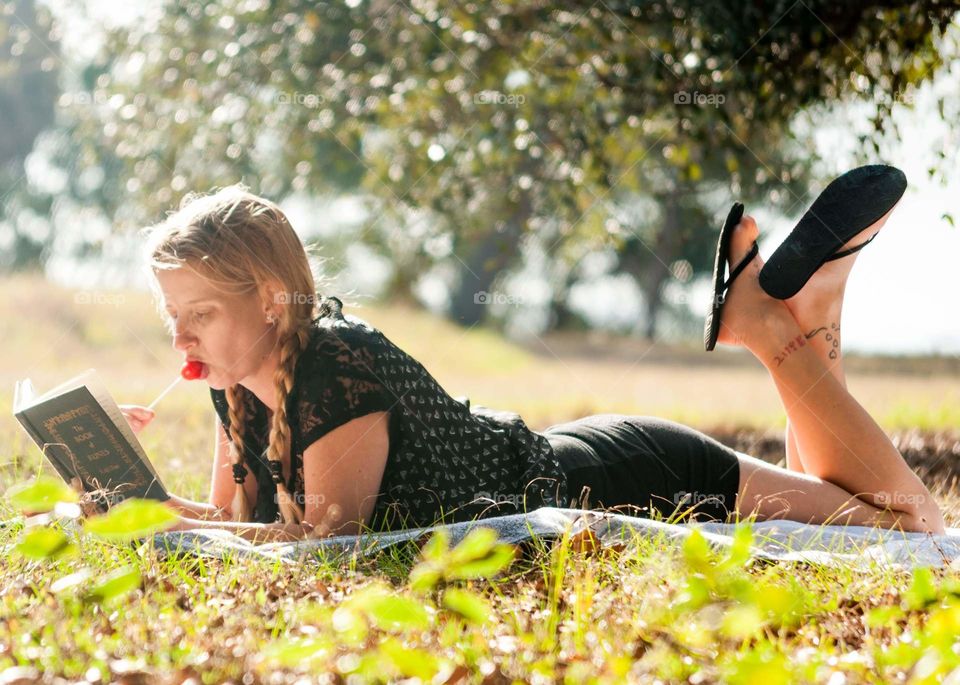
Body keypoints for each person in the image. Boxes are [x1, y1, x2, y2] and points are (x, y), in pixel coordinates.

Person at [121, 185, 945, 543]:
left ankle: (775, 331)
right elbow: (238, 531)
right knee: (847, 523)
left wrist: (156, 522)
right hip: (568, 453)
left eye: (200, 314)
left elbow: (323, 549)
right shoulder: (240, 390)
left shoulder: (337, 365)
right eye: (172, 318)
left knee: (910, 529)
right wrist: (131, 502)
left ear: (270, 300)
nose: (180, 338)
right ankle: (802, 317)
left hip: (627, 473)